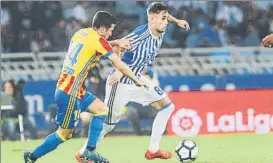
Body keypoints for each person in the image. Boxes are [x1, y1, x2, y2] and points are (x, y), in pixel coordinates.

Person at [23, 11, 146, 163]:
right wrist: (136, 79)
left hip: (74, 88)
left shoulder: (81, 33)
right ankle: (32, 156)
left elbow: (98, 45)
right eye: (109, 30)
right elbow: (118, 63)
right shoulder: (99, 42)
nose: (110, 33)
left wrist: (117, 42)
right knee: (64, 134)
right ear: (101, 28)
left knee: (102, 110)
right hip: (69, 92)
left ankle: (89, 151)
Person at [76, 2, 190, 162]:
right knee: (109, 124)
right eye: (163, 19)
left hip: (138, 78)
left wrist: (177, 21)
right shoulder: (140, 35)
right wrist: (117, 70)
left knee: (167, 106)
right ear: (151, 19)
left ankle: (153, 150)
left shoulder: (161, 27)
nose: (165, 22)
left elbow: (165, 15)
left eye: (166, 19)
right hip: (121, 81)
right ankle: (83, 153)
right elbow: (118, 45)